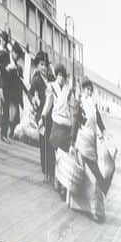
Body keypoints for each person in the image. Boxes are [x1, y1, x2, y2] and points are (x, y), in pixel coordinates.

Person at [69, 77, 109, 222]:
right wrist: (72, 143)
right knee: (84, 174)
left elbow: (98, 119)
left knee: (95, 175)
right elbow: (74, 122)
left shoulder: (93, 104)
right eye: (86, 89)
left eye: (90, 89)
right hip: (82, 142)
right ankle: (86, 207)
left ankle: (96, 208)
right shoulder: (79, 103)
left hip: (92, 143)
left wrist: (103, 131)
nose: (88, 91)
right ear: (82, 89)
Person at [43, 64, 75, 195]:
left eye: (63, 75)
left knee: (65, 157)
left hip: (66, 125)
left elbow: (72, 107)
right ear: (56, 75)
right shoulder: (51, 87)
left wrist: (74, 124)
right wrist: (42, 116)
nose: (61, 78)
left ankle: (62, 183)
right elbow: (48, 104)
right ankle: (57, 180)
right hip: (56, 123)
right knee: (57, 155)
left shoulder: (69, 90)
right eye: (59, 75)